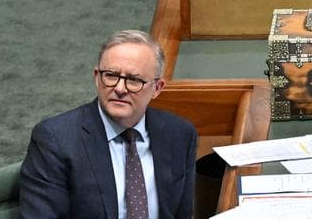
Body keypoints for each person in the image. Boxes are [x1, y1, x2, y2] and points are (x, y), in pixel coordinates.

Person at [20, 30, 197, 219]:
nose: (120, 89)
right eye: (111, 76)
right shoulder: (56, 139)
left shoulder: (180, 134)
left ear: (157, 88)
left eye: (134, 80)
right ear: (97, 77)